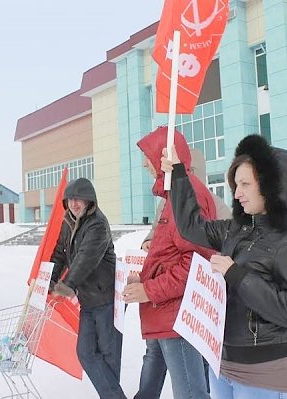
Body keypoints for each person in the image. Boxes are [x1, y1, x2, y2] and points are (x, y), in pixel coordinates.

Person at [161, 134, 287, 398]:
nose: (238, 193)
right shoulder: (237, 229)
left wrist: (237, 275)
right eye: (236, 184)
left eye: (245, 184)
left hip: (267, 374)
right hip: (224, 364)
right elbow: (192, 227)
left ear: (272, 187)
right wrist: (178, 174)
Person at [124, 127, 220, 399]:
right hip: (168, 310)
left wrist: (149, 290)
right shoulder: (175, 195)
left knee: (191, 393)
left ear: (164, 156)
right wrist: (143, 281)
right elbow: (170, 254)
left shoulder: (187, 195)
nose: (144, 163)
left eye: (148, 155)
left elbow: (195, 263)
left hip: (178, 314)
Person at [49, 177, 126, 399]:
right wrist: (49, 281)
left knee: (108, 355)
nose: (74, 204)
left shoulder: (97, 224)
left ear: (89, 200)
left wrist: (67, 285)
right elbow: (59, 254)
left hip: (107, 298)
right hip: (89, 300)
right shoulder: (69, 221)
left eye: (79, 199)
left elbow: (85, 258)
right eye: (71, 199)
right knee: (85, 352)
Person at [141, 147, 231, 252]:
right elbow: (157, 228)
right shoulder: (166, 201)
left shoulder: (215, 204)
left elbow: (226, 242)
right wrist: (149, 240)